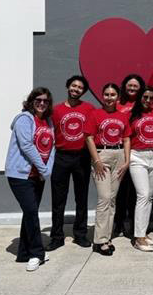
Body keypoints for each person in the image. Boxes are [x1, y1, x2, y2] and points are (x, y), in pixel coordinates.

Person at [5, 87, 55, 272]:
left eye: (46, 101)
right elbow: (26, 145)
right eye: (38, 100)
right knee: (32, 211)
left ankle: (24, 252)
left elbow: (52, 146)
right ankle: (37, 253)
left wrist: (46, 170)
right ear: (31, 101)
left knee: (29, 213)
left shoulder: (48, 122)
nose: (42, 103)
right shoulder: (24, 119)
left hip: (39, 176)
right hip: (20, 174)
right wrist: (43, 168)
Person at [47, 76, 94, 252]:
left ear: (83, 91)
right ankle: (56, 236)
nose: (76, 89)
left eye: (80, 87)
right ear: (68, 86)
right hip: (61, 157)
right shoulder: (55, 109)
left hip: (82, 157)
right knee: (58, 199)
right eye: (73, 85)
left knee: (81, 198)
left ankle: (80, 234)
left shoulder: (89, 108)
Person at [85, 83, 132, 256]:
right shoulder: (95, 114)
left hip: (119, 155)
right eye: (106, 94)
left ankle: (107, 235)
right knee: (104, 197)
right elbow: (89, 138)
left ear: (118, 97)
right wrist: (96, 160)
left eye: (113, 94)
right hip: (102, 155)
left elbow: (126, 138)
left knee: (112, 199)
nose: (109, 97)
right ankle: (99, 240)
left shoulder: (122, 116)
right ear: (102, 96)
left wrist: (126, 161)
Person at [128, 87, 153, 252]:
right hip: (137, 156)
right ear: (140, 98)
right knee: (142, 195)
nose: (148, 100)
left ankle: (143, 232)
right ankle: (138, 237)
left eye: (151, 98)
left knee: (150, 196)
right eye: (145, 97)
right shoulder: (132, 115)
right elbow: (126, 137)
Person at [113, 74, 145, 238]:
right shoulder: (117, 104)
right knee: (119, 190)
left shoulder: (142, 105)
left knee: (134, 191)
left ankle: (132, 225)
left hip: (137, 151)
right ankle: (117, 223)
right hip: (118, 150)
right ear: (124, 87)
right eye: (129, 86)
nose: (132, 89)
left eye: (136, 86)